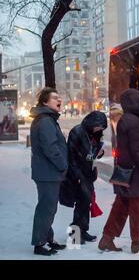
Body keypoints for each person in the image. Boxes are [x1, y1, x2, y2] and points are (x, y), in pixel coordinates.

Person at [98, 89, 139, 253]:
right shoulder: (135, 121)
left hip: (124, 170)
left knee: (121, 205)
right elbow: (138, 150)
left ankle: (107, 238)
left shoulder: (125, 119)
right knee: (138, 206)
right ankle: (138, 242)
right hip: (135, 173)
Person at [30, 87, 68, 256]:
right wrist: (62, 165)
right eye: (54, 98)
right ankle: (39, 243)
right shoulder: (45, 121)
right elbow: (51, 148)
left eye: (59, 97)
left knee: (48, 207)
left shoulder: (48, 119)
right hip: (48, 172)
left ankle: (47, 238)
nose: (58, 100)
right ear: (45, 102)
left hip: (48, 172)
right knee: (46, 208)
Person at [60, 111, 107, 244]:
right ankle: (75, 234)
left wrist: (100, 152)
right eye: (99, 126)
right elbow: (71, 155)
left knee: (86, 202)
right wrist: (77, 176)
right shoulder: (77, 132)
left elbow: (93, 153)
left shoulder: (95, 134)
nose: (100, 129)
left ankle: (83, 230)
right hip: (78, 173)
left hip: (88, 173)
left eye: (102, 127)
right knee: (81, 202)